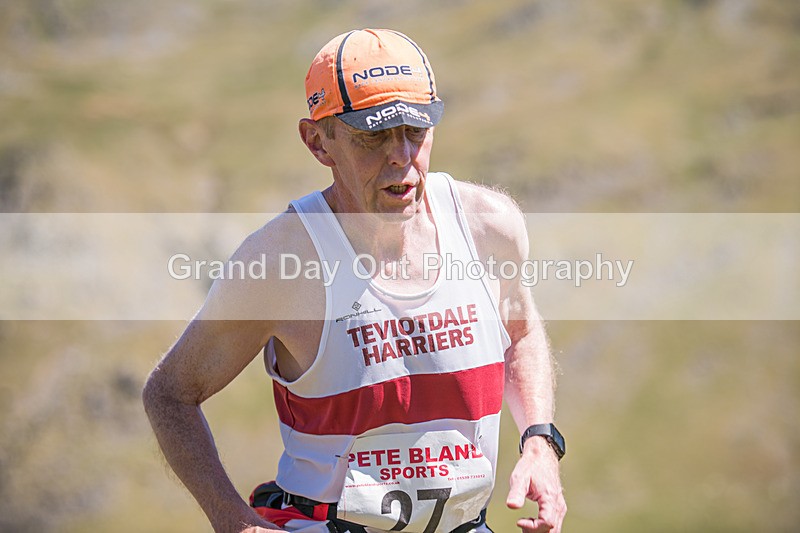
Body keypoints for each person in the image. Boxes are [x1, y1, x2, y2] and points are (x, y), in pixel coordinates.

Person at [143, 28, 566, 533]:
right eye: (373, 136)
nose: (401, 155)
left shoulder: (488, 227)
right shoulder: (280, 261)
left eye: (416, 129)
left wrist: (540, 441)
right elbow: (169, 394)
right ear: (317, 142)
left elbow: (520, 332)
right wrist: (234, 521)